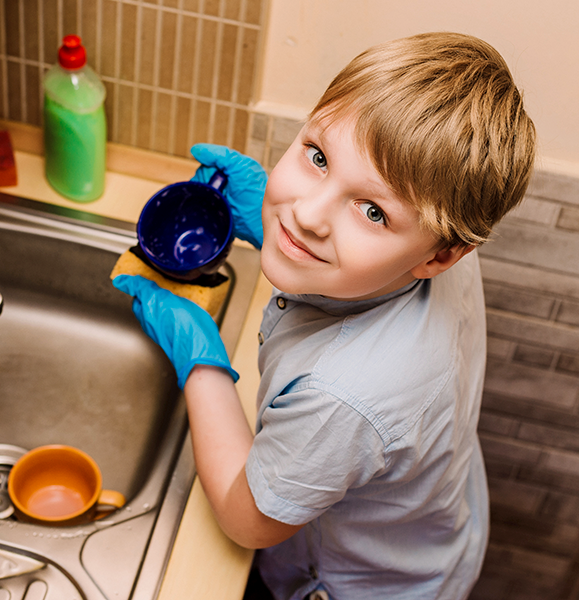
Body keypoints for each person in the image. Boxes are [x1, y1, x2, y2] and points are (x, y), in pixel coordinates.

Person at [114, 31, 536, 600]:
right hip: (436, 534)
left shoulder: (344, 396)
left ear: (439, 255)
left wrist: (202, 360)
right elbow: (366, 249)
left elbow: (248, 519)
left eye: (371, 211)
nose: (307, 214)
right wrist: (279, 227)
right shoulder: (439, 231)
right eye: (318, 157)